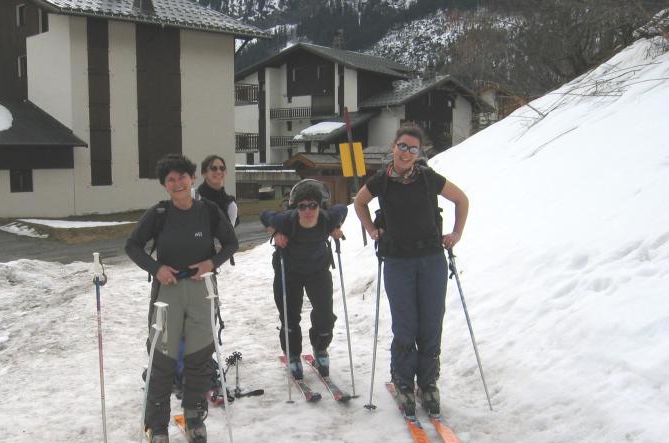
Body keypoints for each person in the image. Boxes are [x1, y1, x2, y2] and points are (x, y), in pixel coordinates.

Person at [125, 154, 238, 443]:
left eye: (182, 177)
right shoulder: (159, 214)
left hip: (201, 290)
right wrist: (156, 268)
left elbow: (231, 243)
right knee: (162, 357)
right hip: (169, 290)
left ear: (191, 179)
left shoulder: (209, 211)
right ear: (165, 186)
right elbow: (132, 245)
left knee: (198, 357)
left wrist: (210, 263)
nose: (177, 184)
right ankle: (158, 426)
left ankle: (193, 416)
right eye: (170, 180)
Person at [353, 124, 469, 417]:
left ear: (419, 154)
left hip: (431, 259)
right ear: (394, 147)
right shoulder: (381, 181)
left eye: (413, 149)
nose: (406, 153)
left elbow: (461, 199)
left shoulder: (428, 178)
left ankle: (428, 383)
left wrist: (456, 233)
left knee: (431, 322)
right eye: (402, 146)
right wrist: (371, 229)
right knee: (406, 324)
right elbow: (360, 202)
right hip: (397, 261)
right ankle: (404, 382)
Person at [260, 179, 347, 379]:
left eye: (313, 205)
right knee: (290, 317)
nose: (308, 210)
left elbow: (342, 208)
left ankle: (320, 348)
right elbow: (265, 215)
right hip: (289, 272)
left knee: (325, 316)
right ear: (296, 208)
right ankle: (293, 355)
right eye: (302, 206)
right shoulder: (286, 220)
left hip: (318, 271)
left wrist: (337, 226)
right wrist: (276, 230)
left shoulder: (327, 218)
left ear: (319, 206)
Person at [197, 154, 239, 228]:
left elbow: (228, 235)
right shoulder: (193, 196)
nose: (218, 172)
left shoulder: (230, 205)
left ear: (225, 173)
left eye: (222, 168)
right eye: (214, 168)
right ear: (204, 174)